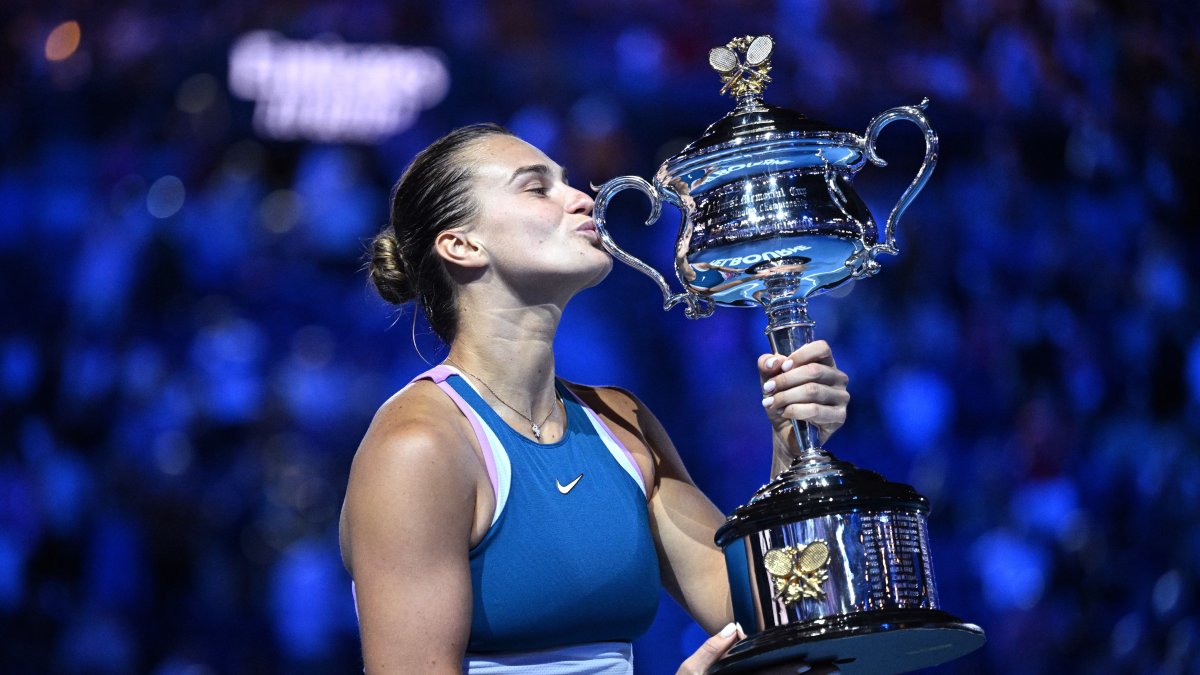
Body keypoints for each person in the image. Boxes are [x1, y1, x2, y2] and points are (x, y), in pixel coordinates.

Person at [339, 123, 850, 674]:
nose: (584, 197)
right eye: (538, 188)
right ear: (462, 245)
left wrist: (794, 451)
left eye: (568, 182)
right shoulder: (417, 448)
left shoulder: (622, 421)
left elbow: (772, 620)